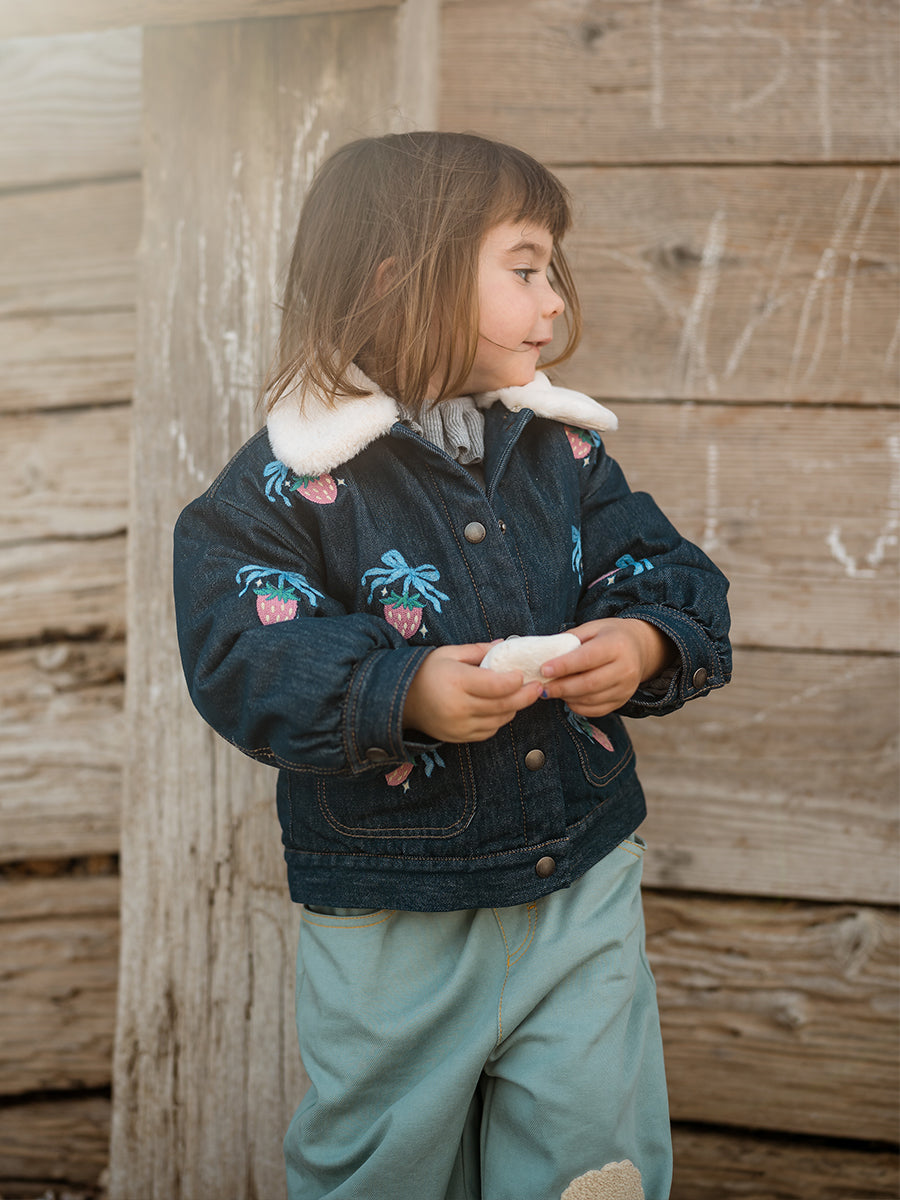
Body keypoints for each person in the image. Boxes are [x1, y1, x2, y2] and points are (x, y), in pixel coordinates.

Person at [173, 131, 731, 1200]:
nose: (554, 299)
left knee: (591, 1156)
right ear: (400, 282)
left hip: (581, 886)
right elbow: (242, 654)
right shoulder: (285, 487)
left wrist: (645, 639)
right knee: (384, 1164)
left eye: (552, 270)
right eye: (525, 269)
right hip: (396, 917)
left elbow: (664, 570)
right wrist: (403, 690)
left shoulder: (562, 450)